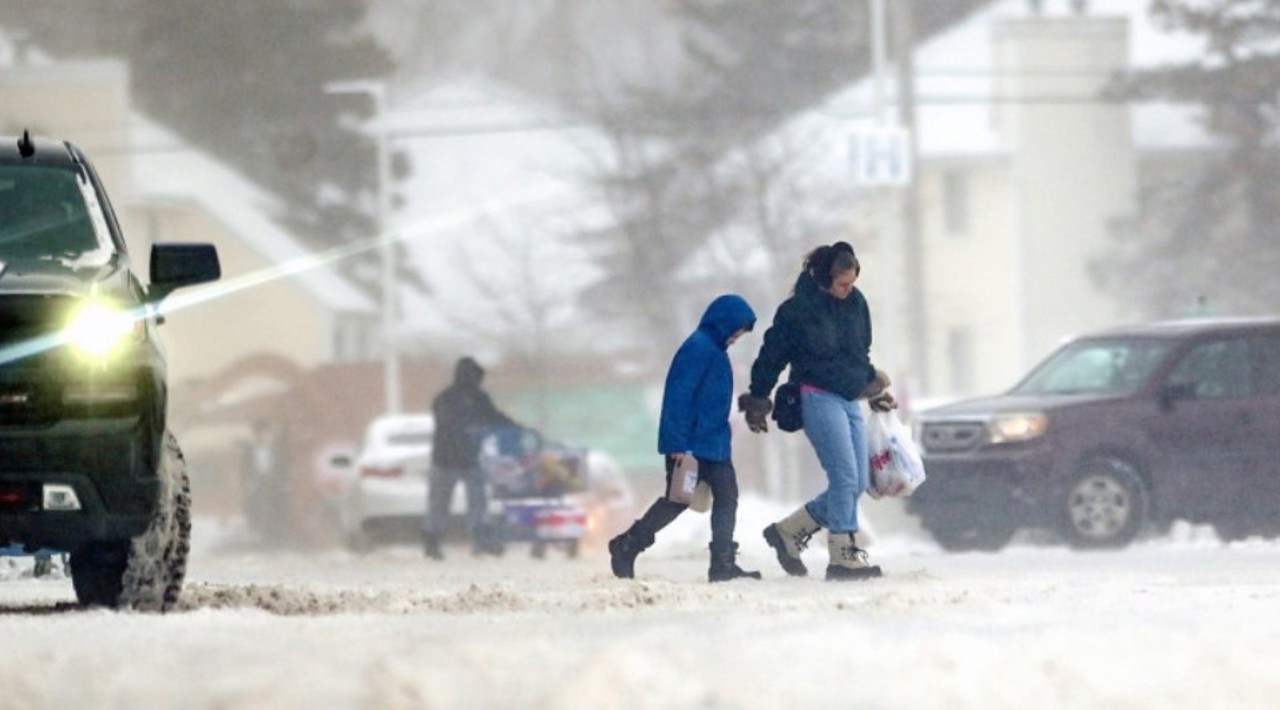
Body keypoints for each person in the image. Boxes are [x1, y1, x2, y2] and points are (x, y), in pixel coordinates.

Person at [738, 242, 897, 581]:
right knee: (843, 476)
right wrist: (758, 398)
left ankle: (788, 531)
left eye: (852, 283)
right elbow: (772, 356)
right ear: (826, 278)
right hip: (816, 396)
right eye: (842, 284)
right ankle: (842, 555)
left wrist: (873, 391)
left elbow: (860, 355)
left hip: (849, 397)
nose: (848, 290)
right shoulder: (797, 310)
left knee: (857, 482)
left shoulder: (856, 303)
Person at [608, 294, 762, 583]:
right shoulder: (698, 348)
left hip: (715, 445)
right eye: (736, 330)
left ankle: (722, 564)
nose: (737, 337)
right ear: (723, 322)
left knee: (727, 497)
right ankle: (627, 544)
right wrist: (677, 444)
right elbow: (677, 398)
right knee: (677, 500)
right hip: (690, 446)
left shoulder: (716, 350)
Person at [422, 357, 519, 560]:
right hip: (459, 460)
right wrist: (512, 427)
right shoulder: (475, 399)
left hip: (448, 459)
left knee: (441, 505)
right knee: (473, 504)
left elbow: (491, 417)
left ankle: (435, 542)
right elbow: (493, 418)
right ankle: (477, 542)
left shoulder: (445, 398)